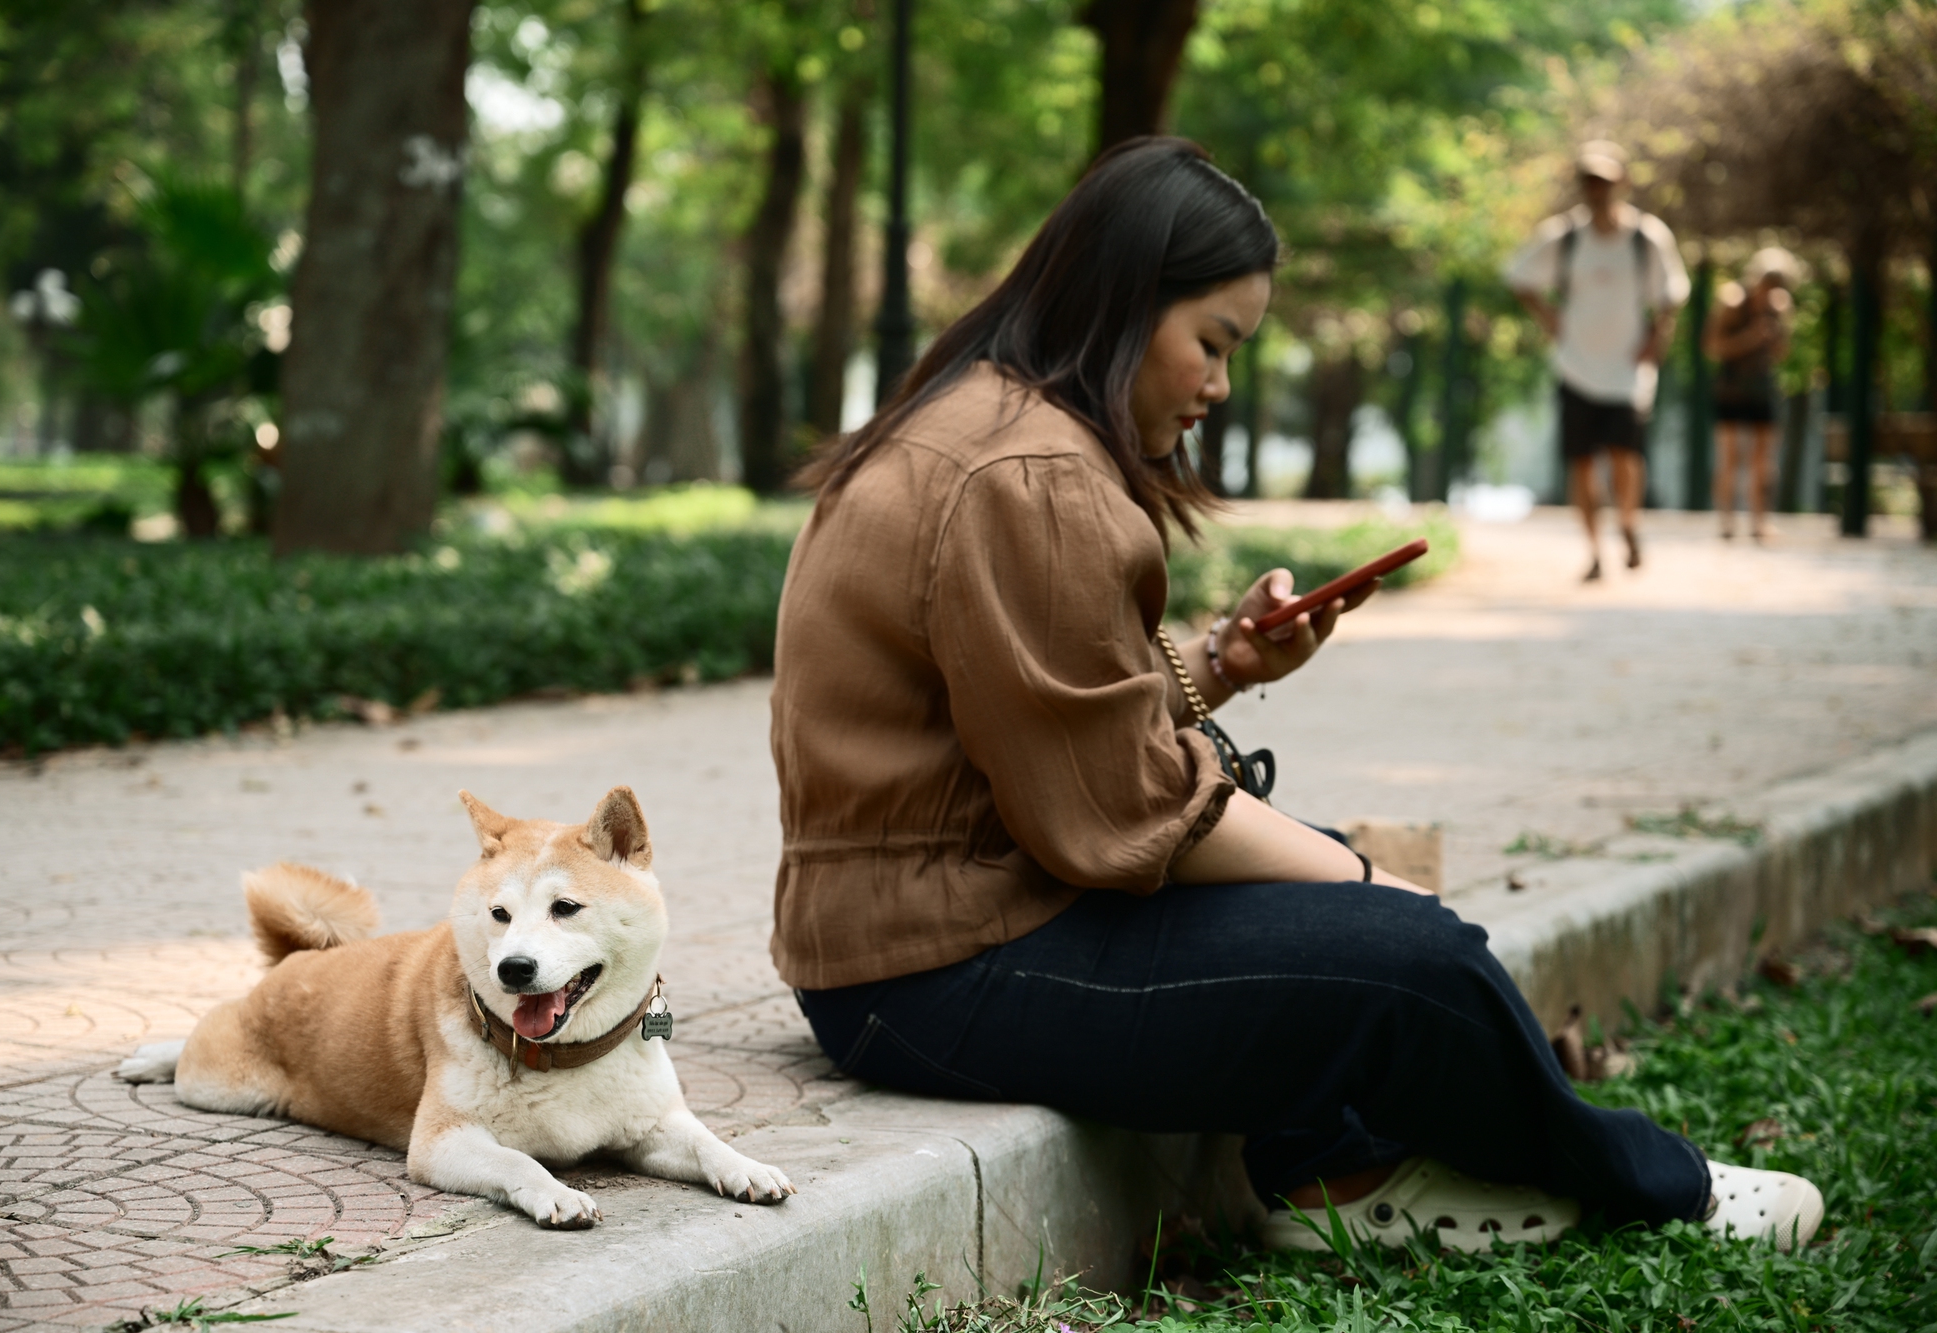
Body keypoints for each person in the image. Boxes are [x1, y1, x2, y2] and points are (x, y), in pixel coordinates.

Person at [770, 137, 1821, 1252]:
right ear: (1126, 303)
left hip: (916, 940)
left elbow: (1050, 716)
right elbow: (1121, 813)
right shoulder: (1027, 474)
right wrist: (1367, 886)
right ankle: (1661, 1190)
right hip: (936, 975)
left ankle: (1335, 1173)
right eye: (1210, 344)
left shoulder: (990, 421)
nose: (1218, 387)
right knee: (1415, 957)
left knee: (1342, 906)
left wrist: (1220, 662)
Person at [1508, 141, 1692, 582]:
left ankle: (1628, 522)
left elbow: (1671, 293)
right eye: (1589, 182)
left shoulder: (1646, 237)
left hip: (1627, 370)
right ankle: (1593, 550)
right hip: (1575, 365)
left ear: (1622, 184)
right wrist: (1549, 318)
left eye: (1605, 182)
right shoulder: (1564, 236)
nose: (1597, 190)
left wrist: (1657, 337)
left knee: (1626, 455)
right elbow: (1518, 277)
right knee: (1582, 463)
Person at [1705, 248, 1800, 541]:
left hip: (1763, 388)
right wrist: (1749, 338)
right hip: (1731, 388)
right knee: (1730, 456)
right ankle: (1726, 522)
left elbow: (1783, 354)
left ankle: (1760, 522)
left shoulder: (1781, 307)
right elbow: (1711, 347)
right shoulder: (1732, 301)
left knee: (1764, 459)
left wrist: (1774, 336)